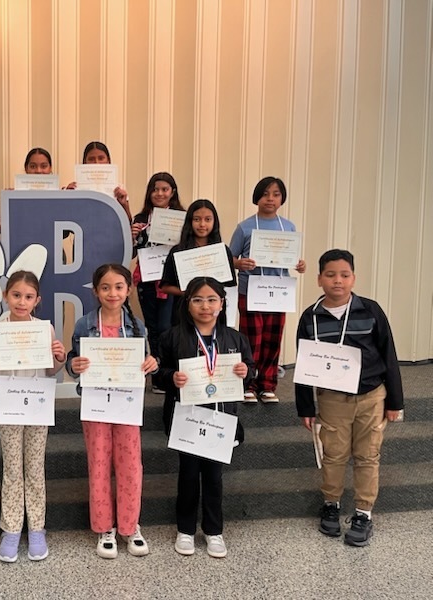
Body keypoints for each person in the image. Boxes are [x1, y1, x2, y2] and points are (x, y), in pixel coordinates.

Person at [295, 249, 403, 547]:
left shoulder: (370, 310)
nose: (337, 281)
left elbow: (389, 354)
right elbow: (303, 364)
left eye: (344, 275)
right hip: (332, 399)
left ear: (354, 278)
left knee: (368, 455)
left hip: (371, 396)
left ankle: (363, 513)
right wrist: (305, 406)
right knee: (334, 454)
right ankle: (331, 504)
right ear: (319, 279)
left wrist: (395, 401)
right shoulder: (310, 317)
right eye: (330, 275)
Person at [154, 277, 254, 559]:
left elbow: (251, 370)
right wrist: (171, 377)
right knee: (187, 475)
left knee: (213, 477)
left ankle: (213, 531)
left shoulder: (235, 338)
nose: (205, 306)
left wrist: (247, 372)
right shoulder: (172, 337)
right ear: (187, 304)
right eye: (198, 300)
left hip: (221, 419)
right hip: (187, 419)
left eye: (212, 300)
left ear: (222, 304)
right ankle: (185, 530)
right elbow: (158, 373)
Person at [65, 264, 159, 559]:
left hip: (126, 405)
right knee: (99, 464)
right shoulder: (84, 324)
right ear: (96, 291)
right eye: (105, 287)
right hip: (95, 404)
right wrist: (73, 365)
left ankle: (130, 526)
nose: (112, 293)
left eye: (119, 287)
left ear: (128, 290)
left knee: (130, 465)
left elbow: (145, 360)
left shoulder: (137, 326)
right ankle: (105, 527)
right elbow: (72, 360)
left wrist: (151, 363)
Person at [0, 271, 66, 562]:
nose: (21, 302)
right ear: (5, 296)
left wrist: (59, 358)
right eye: (16, 295)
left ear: (37, 300)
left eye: (28, 297)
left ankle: (37, 527)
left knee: (35, 467)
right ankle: (12, 528)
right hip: (9, 405)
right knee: (13, 468)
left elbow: (51, 370)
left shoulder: (44, 329)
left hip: (37, 405)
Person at [230, 177, 306, 403]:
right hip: (251, 291)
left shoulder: (289, 227)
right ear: (257, 197)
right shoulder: (244, 227)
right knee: (251, 339)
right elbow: (229, 258)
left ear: (282, 199)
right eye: (265, 194)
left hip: (279, 292)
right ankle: (248, 384)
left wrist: (300, 265)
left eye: (276, 194)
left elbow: (291, 258)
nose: (270, 199)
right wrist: (239, 263)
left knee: (273, 338)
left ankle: (267, 384)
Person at [131, 172, 185, 384]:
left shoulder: (182, 217)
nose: (159, 193)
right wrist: (133, 236)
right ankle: (158, 377)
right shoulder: (141, 218)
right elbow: (132, 253)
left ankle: (171, 371)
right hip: (147, 279)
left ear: (173, 192)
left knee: (169, 326)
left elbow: (188, 247)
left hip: (172, 281)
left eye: (164, 189)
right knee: (152, 327)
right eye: (155, 189)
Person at [160, 199, 237, 325]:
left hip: (214, 315)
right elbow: (165, 287)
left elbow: (230, 286)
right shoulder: (177, 251)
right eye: (197, 219)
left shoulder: (223, 251)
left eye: (208, 219)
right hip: (184, 314)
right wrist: (190, 292)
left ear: (214, 222)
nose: (202, 224)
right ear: (190, 221)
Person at [65, 141, 132, 222]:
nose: (96, 162)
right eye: (91, 159)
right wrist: (68, 198)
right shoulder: (75, 188)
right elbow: (67, 220)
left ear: (108, 161)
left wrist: (124, 205)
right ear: (85, 162)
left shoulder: (119, 189)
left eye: (101, 158)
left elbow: (128, 222)